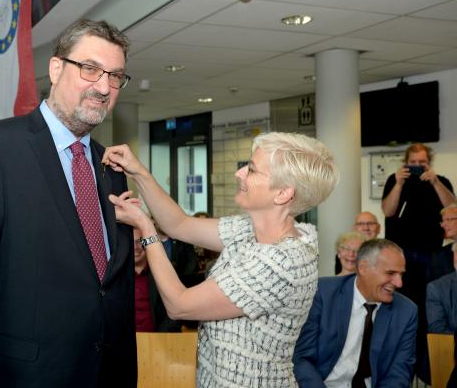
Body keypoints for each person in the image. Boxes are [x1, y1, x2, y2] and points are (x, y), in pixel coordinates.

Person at [0, 19, 136, 388]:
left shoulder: (112, 167)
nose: (104, 87)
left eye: (115, 76)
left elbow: (107, 288)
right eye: (90, 69)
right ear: (56, 68)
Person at [104, 131, 339, 387]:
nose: (239, 174)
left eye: (251, 169)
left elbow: (179, 304)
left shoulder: (279, 263)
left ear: (283, 194)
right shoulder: (251, 230)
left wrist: (145, 228)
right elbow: (179, 225)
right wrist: (139, 173)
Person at [293, 239, 417, 387]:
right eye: (390, 273)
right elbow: (302, 358)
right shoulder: (323, 294)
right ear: (363, 267)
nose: (399, 283)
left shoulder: (406, 311)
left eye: (401, 274)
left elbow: (399, 371)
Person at [381, 143, 456, 381]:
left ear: (429, 163)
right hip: (399, 255)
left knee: (428, 310)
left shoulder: (439, 180)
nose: (416, 167)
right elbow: (388, 210)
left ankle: (428, 366)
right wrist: (400, 182)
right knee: (399, 307)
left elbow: (451, 207)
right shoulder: (395, 181)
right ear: (405, 163)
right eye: (411, 163)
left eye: (421, 163)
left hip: (430, 256)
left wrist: (434, 182)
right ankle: (400, 363)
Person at [133, 228, 183, 332]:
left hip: (160, 341)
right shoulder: (116, 276)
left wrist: (158, 338)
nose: (135, 247)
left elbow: (177, 310)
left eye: (139, 242)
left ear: (147, 243)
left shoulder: (165, 271)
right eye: (131, 242)